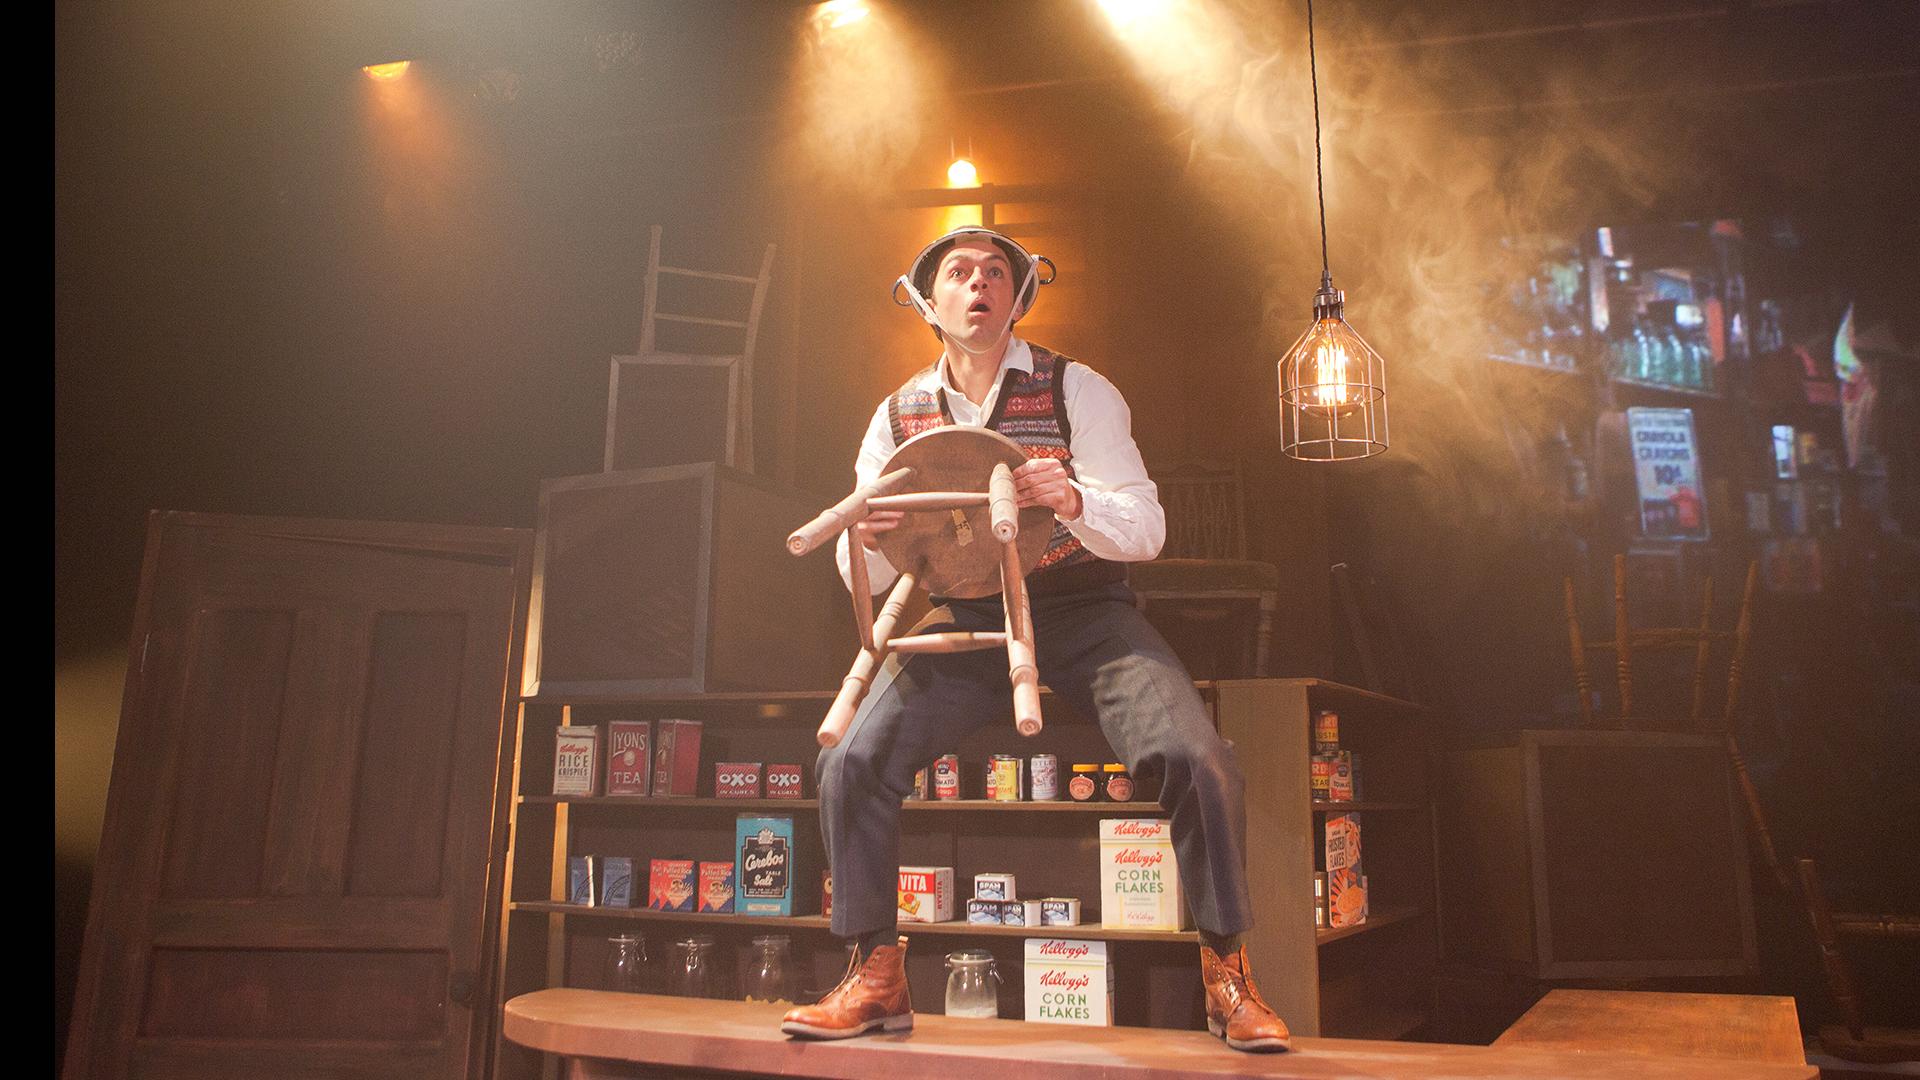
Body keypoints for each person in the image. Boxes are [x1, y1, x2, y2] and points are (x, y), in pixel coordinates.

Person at [778, 227, 1289, 1053]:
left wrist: (1078, 500)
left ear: (1019, 297)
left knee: (1198, 760)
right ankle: (875, 973)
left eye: (996, 273)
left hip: (1084, 609)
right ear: (927, 300)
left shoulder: (1075, 388)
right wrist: (868, 537)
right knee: (850, 760)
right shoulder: (897, 415)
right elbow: (855, 572)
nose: (979, 284)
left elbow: (1149, 528)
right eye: (959, 273)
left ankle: (1228, 974)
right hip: (969, 615)